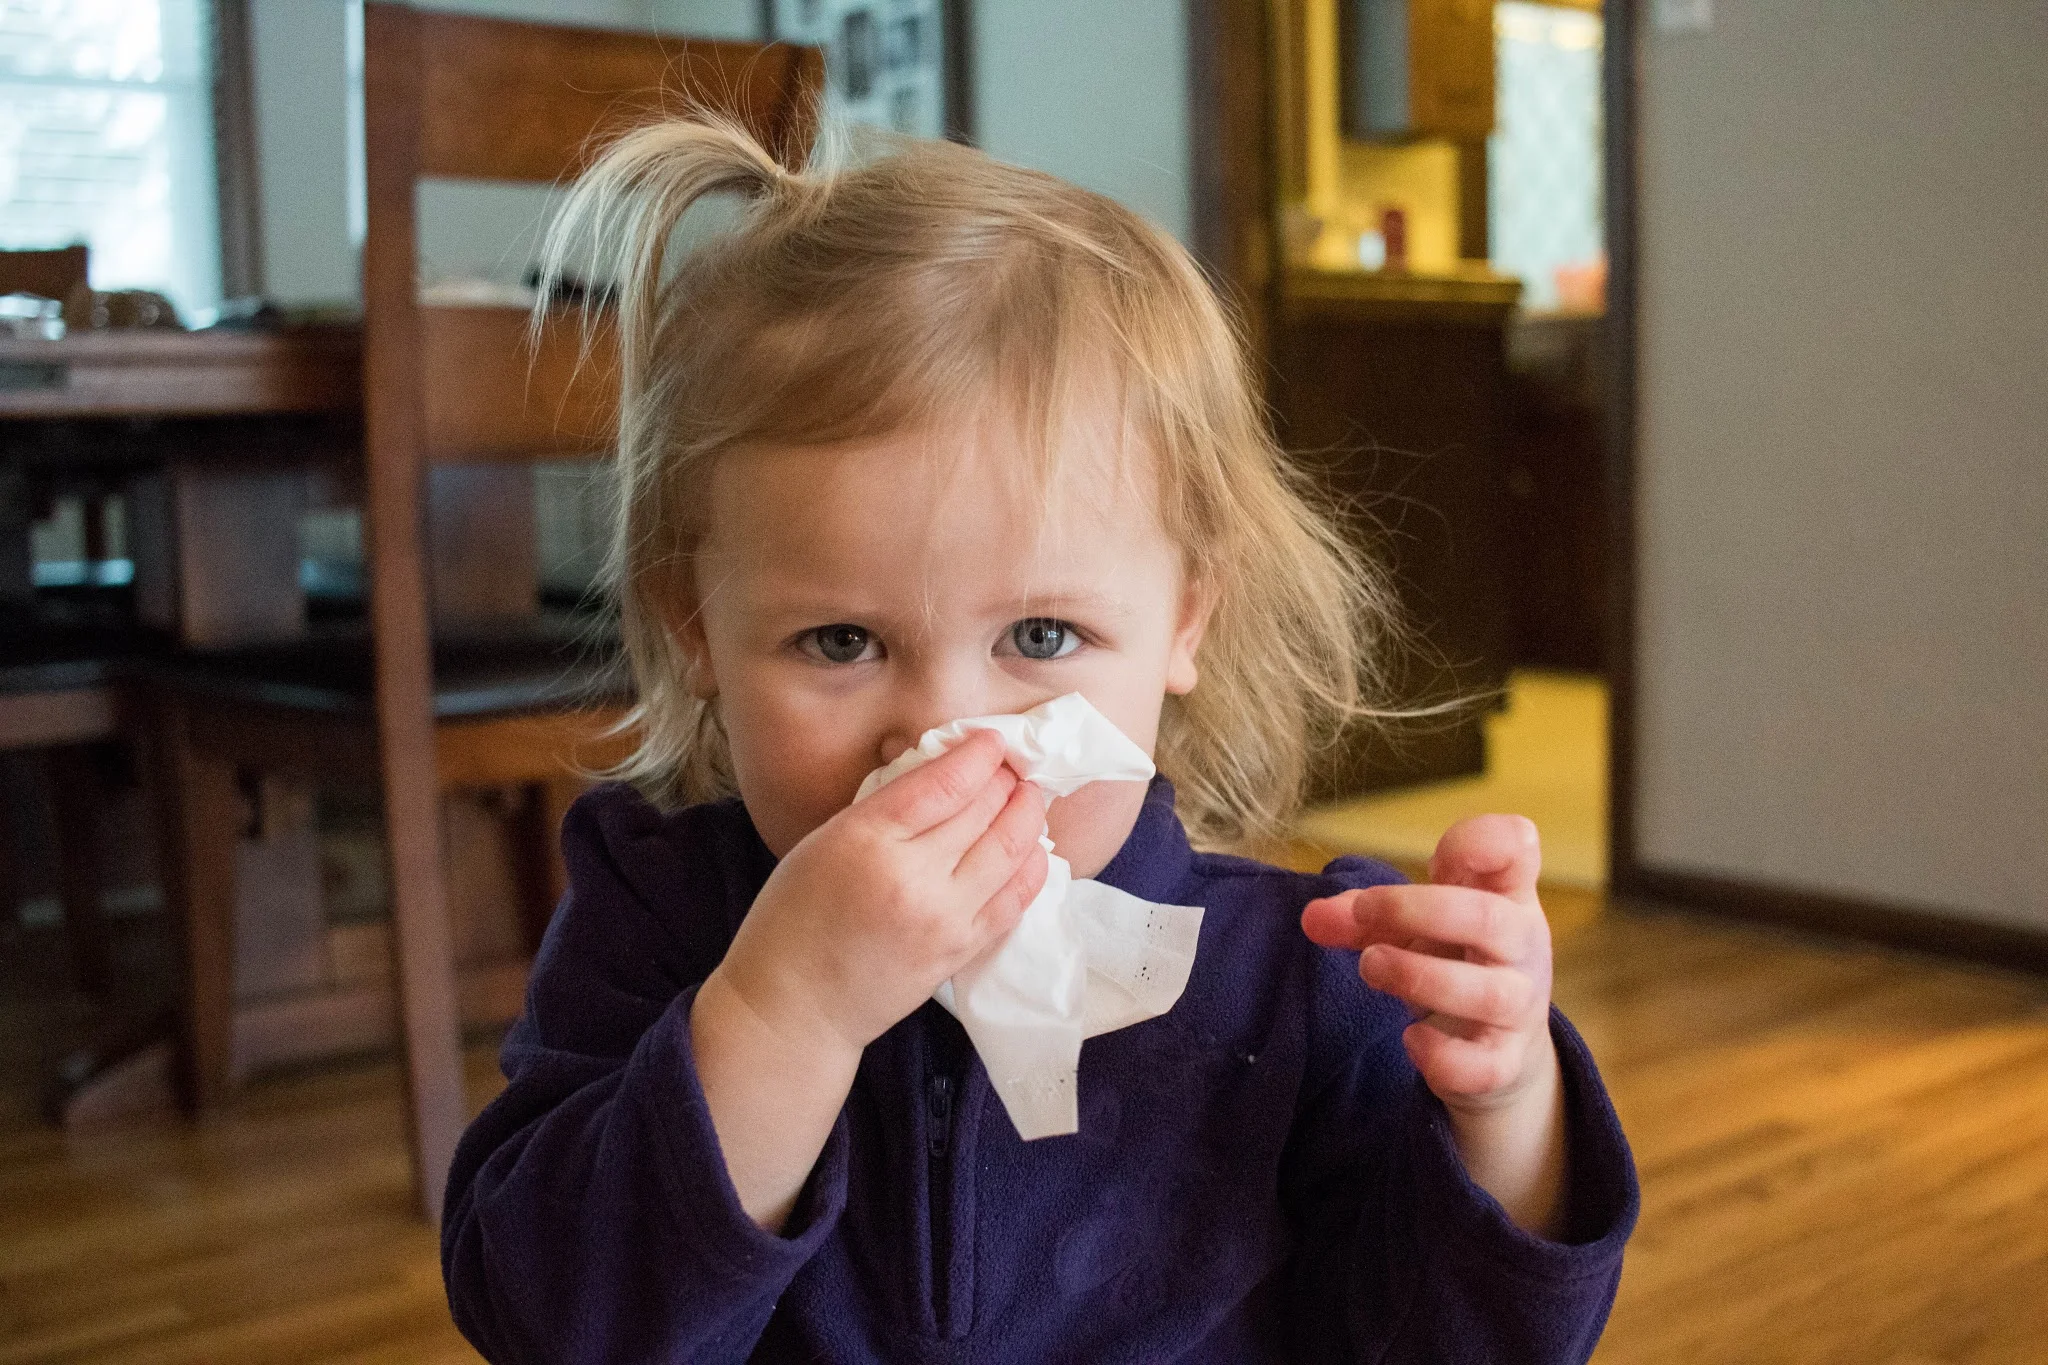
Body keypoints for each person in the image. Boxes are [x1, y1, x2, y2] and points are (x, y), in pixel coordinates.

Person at [441, 115, 1637, 1364]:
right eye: (841, 642)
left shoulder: (1295, 979)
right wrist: (781, 1014)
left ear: (1183, 622)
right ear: (698, 628)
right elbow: (549, 1320)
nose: (946, 737)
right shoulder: (662, 915)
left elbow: (1455, 1341)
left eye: (1044, 638)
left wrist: (1505, 1116)